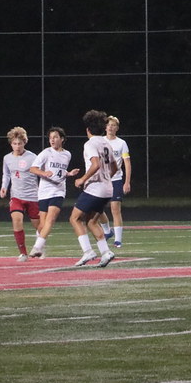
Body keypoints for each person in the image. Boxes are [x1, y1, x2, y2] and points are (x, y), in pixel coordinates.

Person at [68, 110, 118, 267]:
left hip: (95, 189)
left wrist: (82, 179)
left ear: (87, 130)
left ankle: (88, 251)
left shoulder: (90, 144)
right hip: (107, 189)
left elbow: (95, 164)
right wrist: (106, 178)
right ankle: (106, 252)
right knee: (91, 221)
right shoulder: (106, 143)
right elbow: (115, 167)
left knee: (74, 218)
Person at [28, 126, 79, 258]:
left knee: (51, 219)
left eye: (55, 137)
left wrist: (68, 173)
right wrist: (44, 173)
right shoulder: (46, 153)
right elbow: (33, 169)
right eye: (50, 138)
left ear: (62, 139)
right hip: (44, 191)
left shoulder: (67, 154)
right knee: (42, 224)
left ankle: (36, 247)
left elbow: (59, 172)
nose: (52, 140)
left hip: (58, 191)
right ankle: (41, 247)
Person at [0, 126, 40, 262]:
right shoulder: (7, 158)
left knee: (39, 227)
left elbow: (41, 173)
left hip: (33, 196)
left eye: (20, 143)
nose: (17, 146)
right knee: (16, 220)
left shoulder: (33, 157)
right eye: (14, 144)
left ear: (25, 142)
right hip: (16, 196)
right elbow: (6, 174)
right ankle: (23, 253)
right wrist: (4, 187)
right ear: (11, 143)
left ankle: (39, 247)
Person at [96, 115, 131, 246]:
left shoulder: (121, 143)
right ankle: (107, 231)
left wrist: (127, 182)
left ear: (117, 128)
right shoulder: (100, 141)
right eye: (109, 125)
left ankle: (118, 240)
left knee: (115, 209)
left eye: (113, 125)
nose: (111, 127)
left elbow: (127, 162)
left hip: (116, 179)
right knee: (96, 208)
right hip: (102, 180)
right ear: (105, 127)